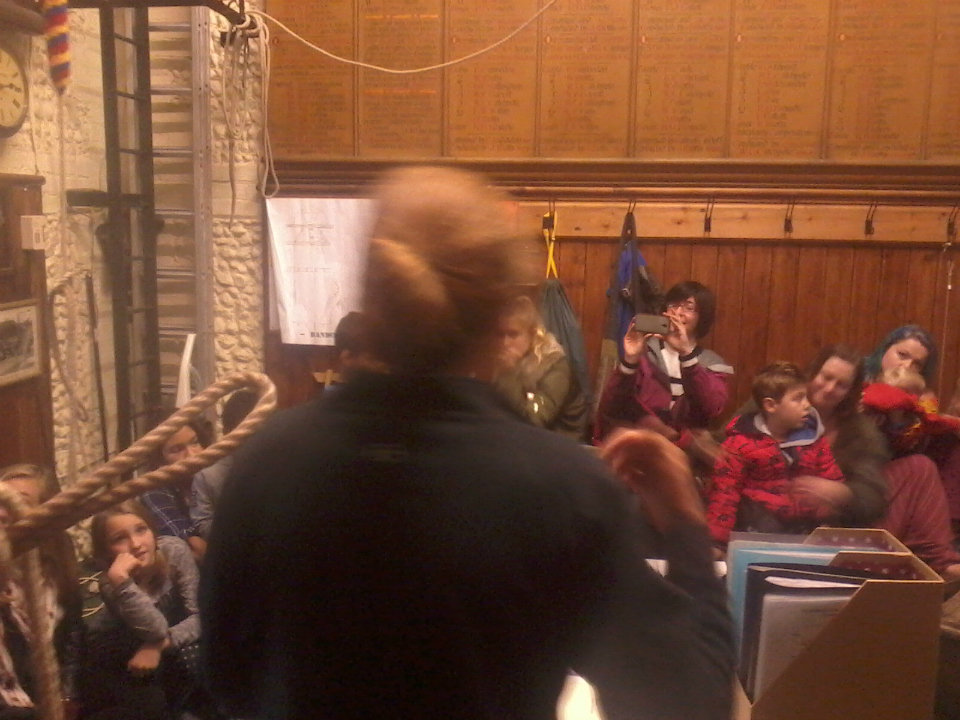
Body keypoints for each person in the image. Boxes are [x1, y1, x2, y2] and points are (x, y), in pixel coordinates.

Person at [201, 166, 733, 720]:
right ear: (503, 317)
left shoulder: (269, 460)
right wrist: (687, 529)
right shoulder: (558, 490)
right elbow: (687, 706)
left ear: (370, 296)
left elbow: (229, 676)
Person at [802, 344, 960, 578]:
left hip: (844, 520)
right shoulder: (781, 401)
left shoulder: (857, 428)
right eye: (825, 377)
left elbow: (871, 493)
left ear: (850, 392)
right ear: (813, 373)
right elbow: (734, 443)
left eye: (841, 385)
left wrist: (843, 494)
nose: (829, 388)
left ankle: (935, 564)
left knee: (919, 468)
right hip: (782, 513)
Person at [81, 501, 215, 720]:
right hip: (132, 640)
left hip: (176, 638)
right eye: (119, 539)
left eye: (141, 530)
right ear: (106, 552)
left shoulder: (173, 550)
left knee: (196, 659)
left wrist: (159, 645)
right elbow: (154, 629)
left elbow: (201, 616)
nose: (136, 544)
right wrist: (123, 582)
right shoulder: (112, 581)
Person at [706, 362, 846, 548]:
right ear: (771, 405)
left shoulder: (814, 441)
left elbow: (832, 481)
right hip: (756, 530)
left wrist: (831, 509)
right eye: (798, 399)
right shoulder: (740, 444)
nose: (807, 405)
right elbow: (725, 493)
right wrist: (717, 542)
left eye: (806, 397)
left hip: (804, 530)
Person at [592, 280, 732, 464]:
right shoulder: (645, 352)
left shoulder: (712, 363)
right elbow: (612, 406)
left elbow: (712, 407)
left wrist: (687, 355)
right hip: (639, 448)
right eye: (673, 305)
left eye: (689, 308)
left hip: (685, 457)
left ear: (702, 317)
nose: (678, 312)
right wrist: (631, 359)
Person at [0, 464, 82, 720]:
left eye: (18, 503)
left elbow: (70, 643)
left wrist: (67, 698)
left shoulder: (57, 574)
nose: (3, 513)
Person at [492, 295, 588, 440]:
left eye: (513, 334)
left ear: (532, 333)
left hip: (561, 445)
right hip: (520, 440)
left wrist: (508, 373)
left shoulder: (554, 364)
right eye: (500, 335)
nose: (505, 342)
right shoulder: (499, 359)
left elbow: (534, 421)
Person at [190, 390, 258, 540]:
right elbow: (202, 523)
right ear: (229, 434)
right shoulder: (208, 476)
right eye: (245, 436)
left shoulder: (286, 466)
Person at [140, 420, 209, 563]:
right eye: (177, 450)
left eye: (194, 442)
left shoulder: (213, 475)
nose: (191, 454)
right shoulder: (154, 488)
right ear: (160, 459)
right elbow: (194, 547)